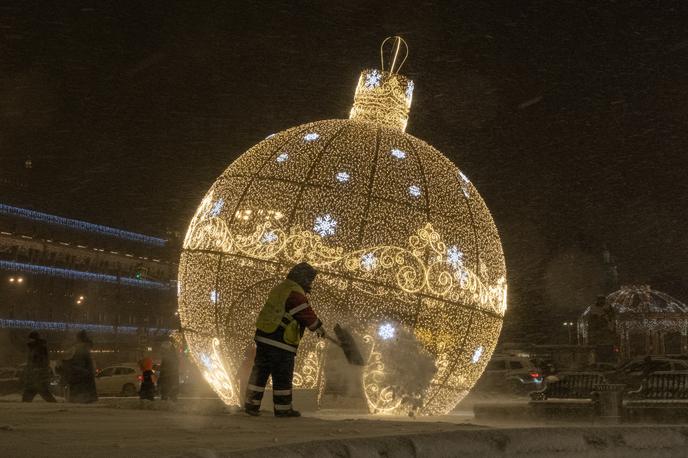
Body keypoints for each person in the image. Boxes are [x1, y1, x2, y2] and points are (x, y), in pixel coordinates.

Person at [244, 262, 325, 417]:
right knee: (282, 375)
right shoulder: (294, 292)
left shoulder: (281, 288)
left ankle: (251, 405)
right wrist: (318, 327)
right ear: (303, 278)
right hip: (280, 341)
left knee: (260, 372)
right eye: (309, 279)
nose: (310, 283)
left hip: (264, 337)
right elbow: (303, 312)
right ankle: (283, 408)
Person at [21, 331, 57, 402]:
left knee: (41, 392)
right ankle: (55, 405)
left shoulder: (40, 348)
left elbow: (43, 362)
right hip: (35, 376)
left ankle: (56, 406)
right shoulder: (34, 348)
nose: (29, 340)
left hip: (38, 376)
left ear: (34, 339)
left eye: (31, 339)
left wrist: (36, 370)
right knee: (42, 392)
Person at [64, 330, 97, 403]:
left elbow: (74, 361)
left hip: (81, 374)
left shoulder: (78, 348)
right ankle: (87, 400)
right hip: (86, 373)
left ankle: (79, 400)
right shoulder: (86, 347)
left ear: (78, 338)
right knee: (86, 392)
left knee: (79, 391)